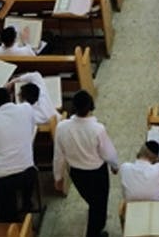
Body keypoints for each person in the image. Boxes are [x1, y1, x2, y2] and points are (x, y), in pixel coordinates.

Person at [0, 81, 55, 221]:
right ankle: (27, 205)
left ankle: (9, 219)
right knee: (27, 172)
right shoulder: (26, 108)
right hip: (27, 173)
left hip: (2, 177)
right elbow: (30, 129)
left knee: (4, 202)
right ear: (10, 97)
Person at [53, 90, 117, 237]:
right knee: (99, 205)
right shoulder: (97, 128)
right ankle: (94, 233)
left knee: (92, 201)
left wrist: (58, 177)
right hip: (97, 172)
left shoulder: (62, 127)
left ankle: (96, 226)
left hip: (77, 173)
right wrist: (114, 165)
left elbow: (58, 155)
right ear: (91, 106)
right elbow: (108, 152)